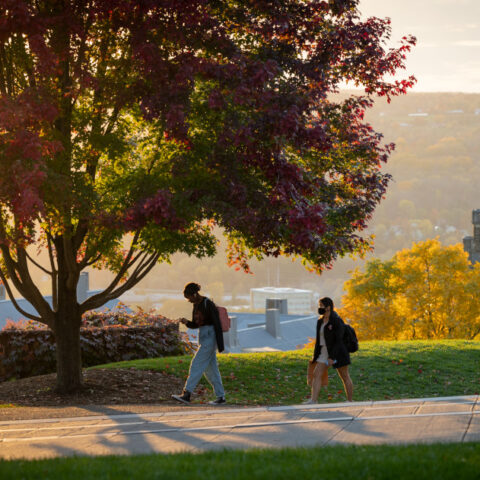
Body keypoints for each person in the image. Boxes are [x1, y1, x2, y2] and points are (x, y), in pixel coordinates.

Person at [172, 282, 226, 405]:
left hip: (210, 337)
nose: (189, 301)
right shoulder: (196, 305)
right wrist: (186, 322)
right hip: (203, 336)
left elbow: (217, 324)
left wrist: (220, 344)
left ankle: (187, 394)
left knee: (196, 364)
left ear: (195, 294)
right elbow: (196, 324)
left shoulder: (208, 304)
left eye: (189, 298)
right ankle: (221, 397)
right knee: (211, 370)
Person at [304, 297, 353, 404]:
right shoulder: (320, 321)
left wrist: (332, 357)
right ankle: (313, 400)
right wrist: (315, 356)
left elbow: (338, 341)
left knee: (344, 376)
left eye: (321, 306)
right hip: (324, 352)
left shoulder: (336, 321)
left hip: (338, 352)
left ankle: (350, 401)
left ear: (328, 307)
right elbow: (318, 341)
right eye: (319, 305)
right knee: (317, 374)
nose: (319, 308)